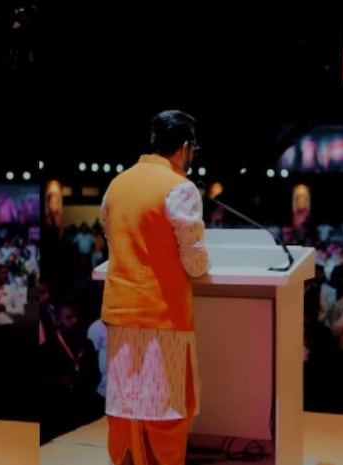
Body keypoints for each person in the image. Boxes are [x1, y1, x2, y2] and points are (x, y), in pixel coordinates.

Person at [100, 110, 210, 464]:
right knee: (165, 411)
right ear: (185, 147)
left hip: (120, 312)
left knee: (125, 408)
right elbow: (195, 263)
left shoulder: (117, 184)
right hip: (162, 315)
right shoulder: (180, 187)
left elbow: (112, 239)